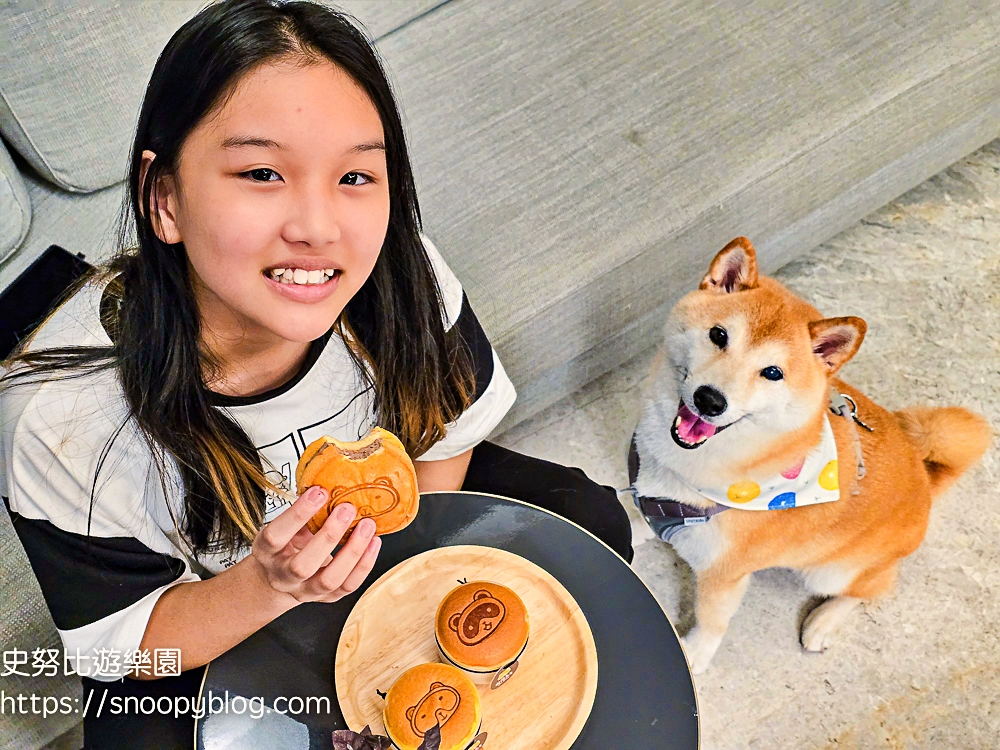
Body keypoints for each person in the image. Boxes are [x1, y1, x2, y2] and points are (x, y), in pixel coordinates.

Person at [0, 0, 631, 745]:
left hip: (386, 534)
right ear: (163, 197)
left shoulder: (404, 275)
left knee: (585, 519)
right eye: (263, 172)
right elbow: (135, 647)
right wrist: (272, 587)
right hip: (215, 605)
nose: (320, 228)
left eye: (356, 176)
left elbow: (443, 438)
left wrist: (396, 592)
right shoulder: (58, 418)